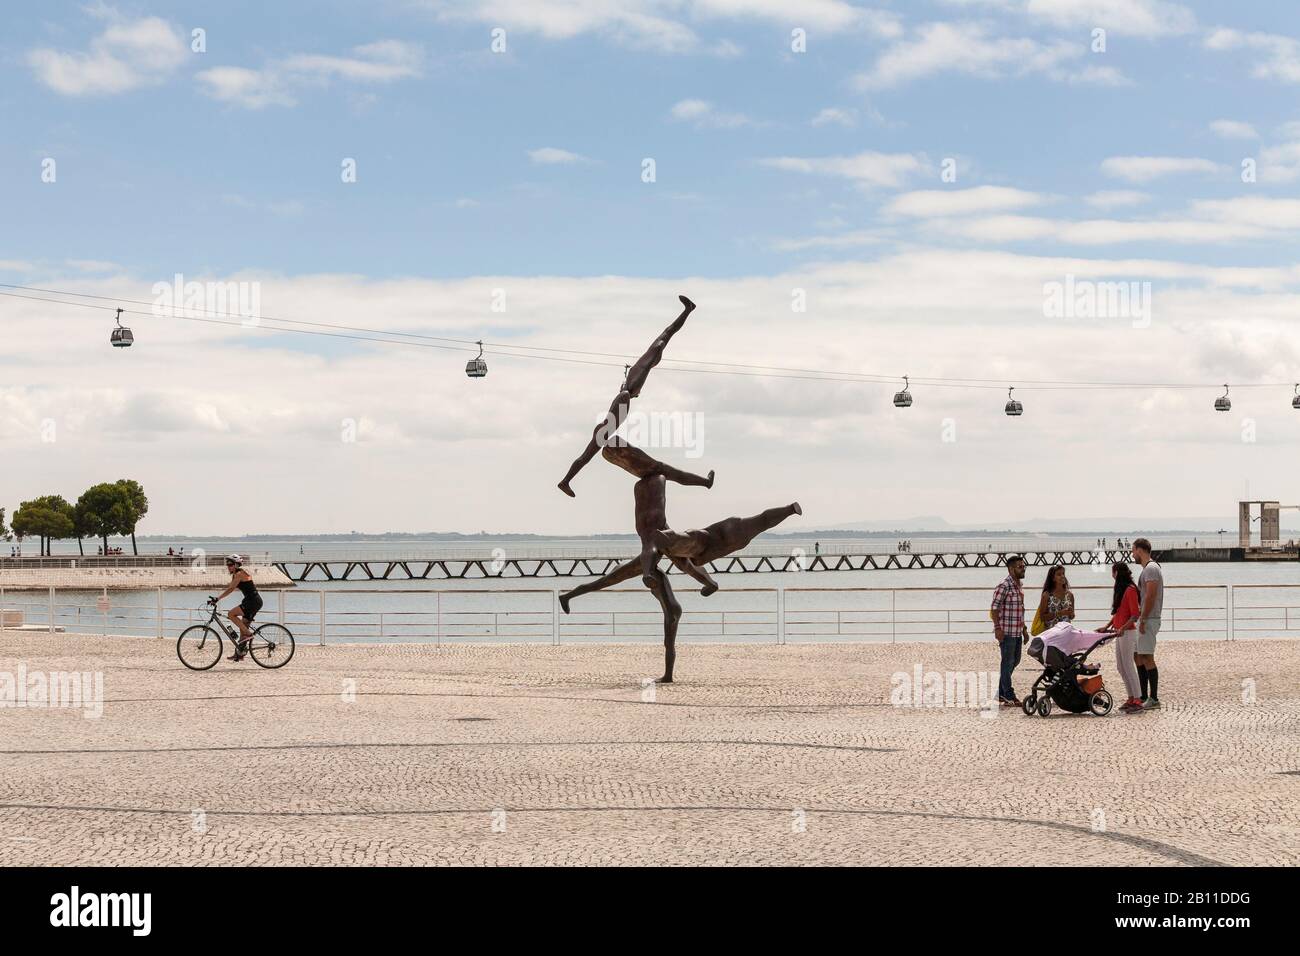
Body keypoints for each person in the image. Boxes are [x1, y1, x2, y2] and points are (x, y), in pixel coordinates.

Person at [557, 295, 695, 497]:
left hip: (605, 430)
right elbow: (665, 337)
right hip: (605, 431)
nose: (640, 391)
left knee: (585, 457)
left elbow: (615, 417)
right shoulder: (626, 395)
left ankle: (566, 480)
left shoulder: (626, 392)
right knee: (663, 339)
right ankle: (565, 481)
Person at [1099, 562, 1143, 713]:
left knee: (1128, 665)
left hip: (1127, 632)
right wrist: (1107, 627)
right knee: (1120, 666)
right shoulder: (1121, 589)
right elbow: (1118, 613)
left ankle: (1137, 698)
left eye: (1113, 572)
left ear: (1117, 573)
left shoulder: (1130, 590)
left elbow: (1135, 614)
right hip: (1120, 632)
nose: (1112, 576)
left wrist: (1123, 627)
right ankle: (1131, 696)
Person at [990, 554, 1029, 706]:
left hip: (1017, 631)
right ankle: (1008, 695)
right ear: (1011, 569)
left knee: (1015, 661)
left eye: (1024, 566)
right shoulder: (1004, 586)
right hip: (1006, 632)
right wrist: (997, 628)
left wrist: (1024, 630)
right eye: (1020, 567)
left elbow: (1020, 610)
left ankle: (1000, 693)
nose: (1023, 569)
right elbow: (994, 608)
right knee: (1007, 663)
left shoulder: (1019, 586)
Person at [211, 554, 263, 661]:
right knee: (243, 627)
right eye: (227, 565)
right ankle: (239, 653)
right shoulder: (237, 574)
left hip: (252, 601)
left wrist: (217, 598)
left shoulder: (239, 574)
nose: (228, 567)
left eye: (230, 564)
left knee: (231, 614)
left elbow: (230, 589)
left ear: (236, 565)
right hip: (252, 601)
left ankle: (249, 635)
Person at [1132, 537, 1164, 709]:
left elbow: (1150, 595)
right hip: (1144, 618)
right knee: (1138, 656)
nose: (1132, 553)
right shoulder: (1147, 569)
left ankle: (1154, 698)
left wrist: (1143, 618)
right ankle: (1143, 695)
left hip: (1149, 618)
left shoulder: (1151, 569)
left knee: (1147, 657)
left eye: (1133, 550)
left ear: (1140, 550)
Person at [1035, 564, 1075, 631]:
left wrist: (1071, 613)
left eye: (1063, 574)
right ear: (1053, 578)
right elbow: (1042, 617)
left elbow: (1071, 617)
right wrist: (1060, 613)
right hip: (1051, 634)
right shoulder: (1047, 595)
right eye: (1059, 574)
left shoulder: (1070, 595)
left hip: (1066, 633)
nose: (1062, 576)